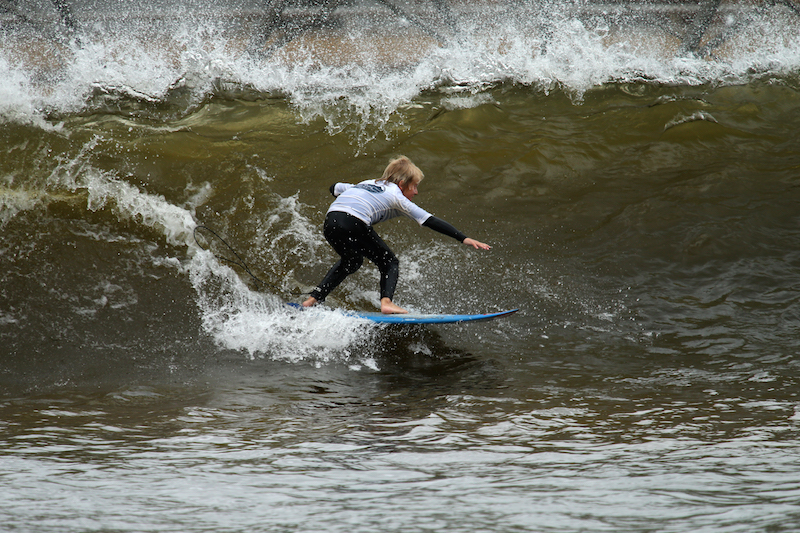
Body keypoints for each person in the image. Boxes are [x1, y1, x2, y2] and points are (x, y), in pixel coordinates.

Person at [302, 156, 491, 314]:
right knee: (389, 262)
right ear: (402, 184)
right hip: (354, 221)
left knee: (352, 261)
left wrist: (354, 195)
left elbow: (334, 187)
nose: (416, 192)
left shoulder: (366, 184)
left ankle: (313, 299)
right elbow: (429, 220)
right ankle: (386, 303)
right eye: (414, 186)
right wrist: (464, 238)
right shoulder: (396, 196)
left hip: (331, 222)